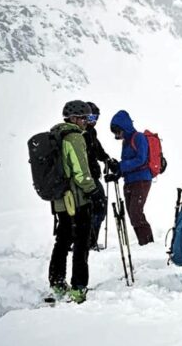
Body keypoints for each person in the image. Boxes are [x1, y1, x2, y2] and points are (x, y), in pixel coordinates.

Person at [48, 100, 104, 303]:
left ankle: (56, 282)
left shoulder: (56, 135)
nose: (87, 122)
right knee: (81, 242)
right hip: (78, 200)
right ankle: (78, 287)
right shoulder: (74, 138)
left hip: (60, 200)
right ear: (74, 118)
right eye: (85, 118)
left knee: (62, 240)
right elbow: (81, 173)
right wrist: (94, 191)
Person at [107, 110, 154, 245]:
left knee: (136, 213)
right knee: (132, 214)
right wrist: (116, 174)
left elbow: (141, 159)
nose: (117, 135)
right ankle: (144, 243)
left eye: (118, 131)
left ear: (124, 127)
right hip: (129, 182)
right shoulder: (126, 142)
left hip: (141, 180)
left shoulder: (138, 137)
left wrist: (120, 166)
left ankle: (148, 243)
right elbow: (127, 163)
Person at [83, 101, 115, 250]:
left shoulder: (90, 132)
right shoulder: (82, 133)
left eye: (95, 117)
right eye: (90, 117)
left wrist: (106, 159)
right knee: (99, 208)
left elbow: (97, 149)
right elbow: (91, 153)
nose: (93, 121)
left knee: (92, 209)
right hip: (87, 178)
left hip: (89, 177)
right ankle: (88, 242)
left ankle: (87, 241)